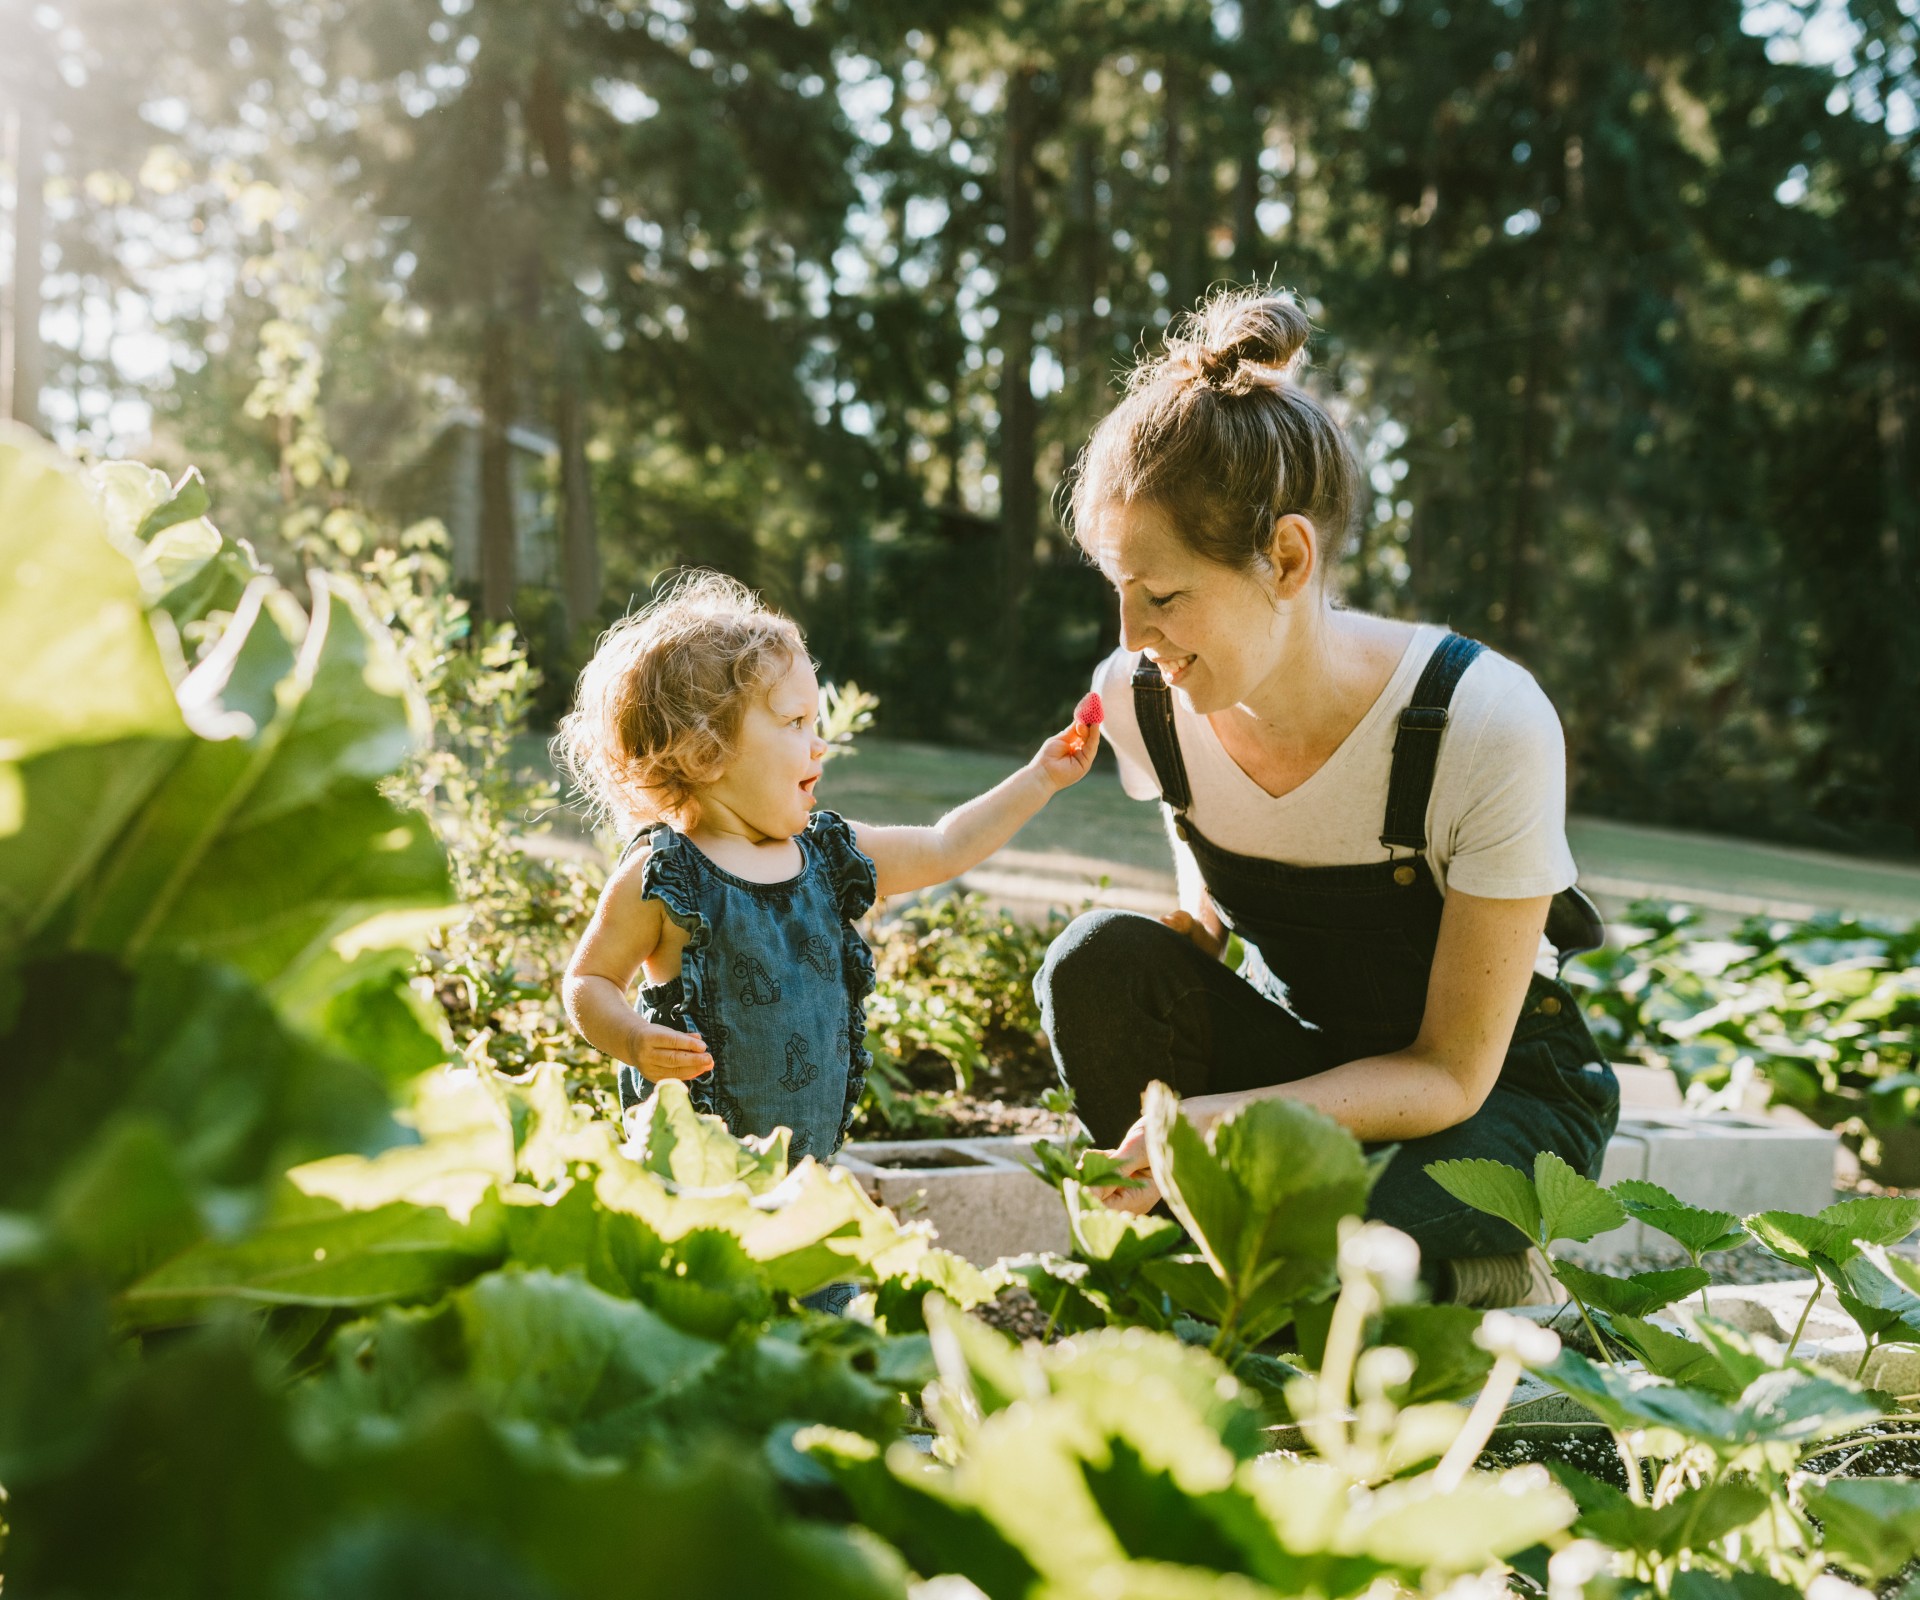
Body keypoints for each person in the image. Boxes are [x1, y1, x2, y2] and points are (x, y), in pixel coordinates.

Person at [1035, 288, 1619, 1307]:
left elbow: (1448, 1074)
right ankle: (1252, 1270)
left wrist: (1241, 1122)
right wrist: (1197, 932)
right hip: (1321, 1066)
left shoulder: (1483, 722)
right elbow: (1207, 840)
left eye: (1164, 596)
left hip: (1492, 1107)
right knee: (1096, 961)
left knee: (1340, 1207)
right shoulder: (1147, 702)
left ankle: (1477, 1267)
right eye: (1117, 588)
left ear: (1289, 558)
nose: (1132, 636)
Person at [557, 571, 1100, 1169]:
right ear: (703, 751)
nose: (819, 746)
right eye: (795, 724)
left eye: (817, 724)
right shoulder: (665, 877)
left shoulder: (827, 855)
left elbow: (945, 847)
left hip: (806, 1170)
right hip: (692, 1170)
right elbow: (588, 982)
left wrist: (1041, 777)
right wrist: (633, 1039)